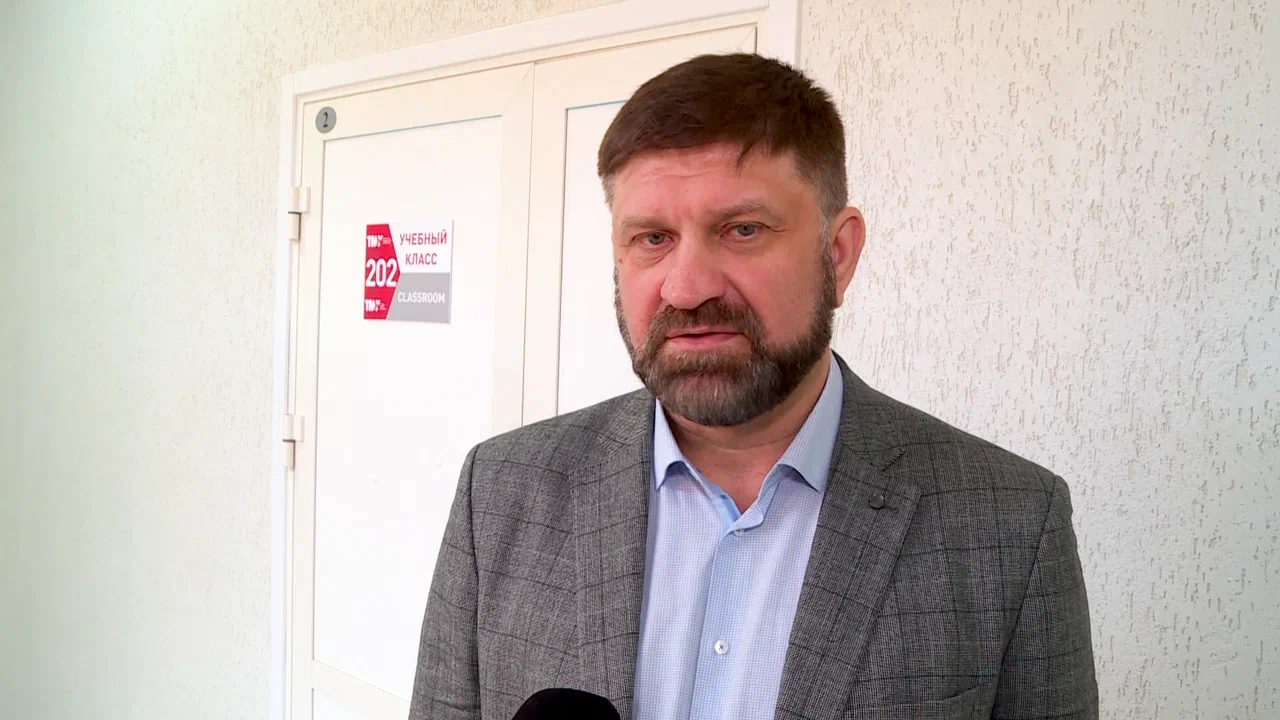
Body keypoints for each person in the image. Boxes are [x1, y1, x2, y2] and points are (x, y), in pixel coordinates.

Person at [409, 53, 1097, 720]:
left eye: (742, 229)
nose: (686, 288)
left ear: (838, 254)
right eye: (652, 238)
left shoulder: (1010, 524)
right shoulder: (500, 491)